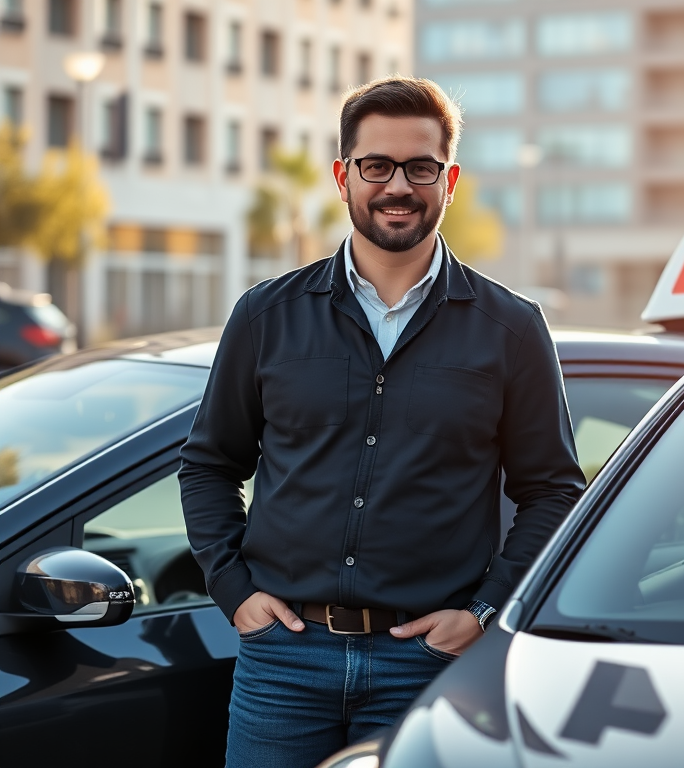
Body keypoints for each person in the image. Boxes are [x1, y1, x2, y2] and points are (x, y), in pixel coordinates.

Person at [178, 75, 586, 768]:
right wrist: (233, 590)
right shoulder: (266, 315)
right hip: (283, 665)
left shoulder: (511, 329)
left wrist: (483, 611)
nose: (398, 185)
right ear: (344, 176)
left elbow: (551, 489)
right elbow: (210, 464)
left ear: (448, 179)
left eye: (420, 167)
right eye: (376, 166)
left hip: (427, 667)